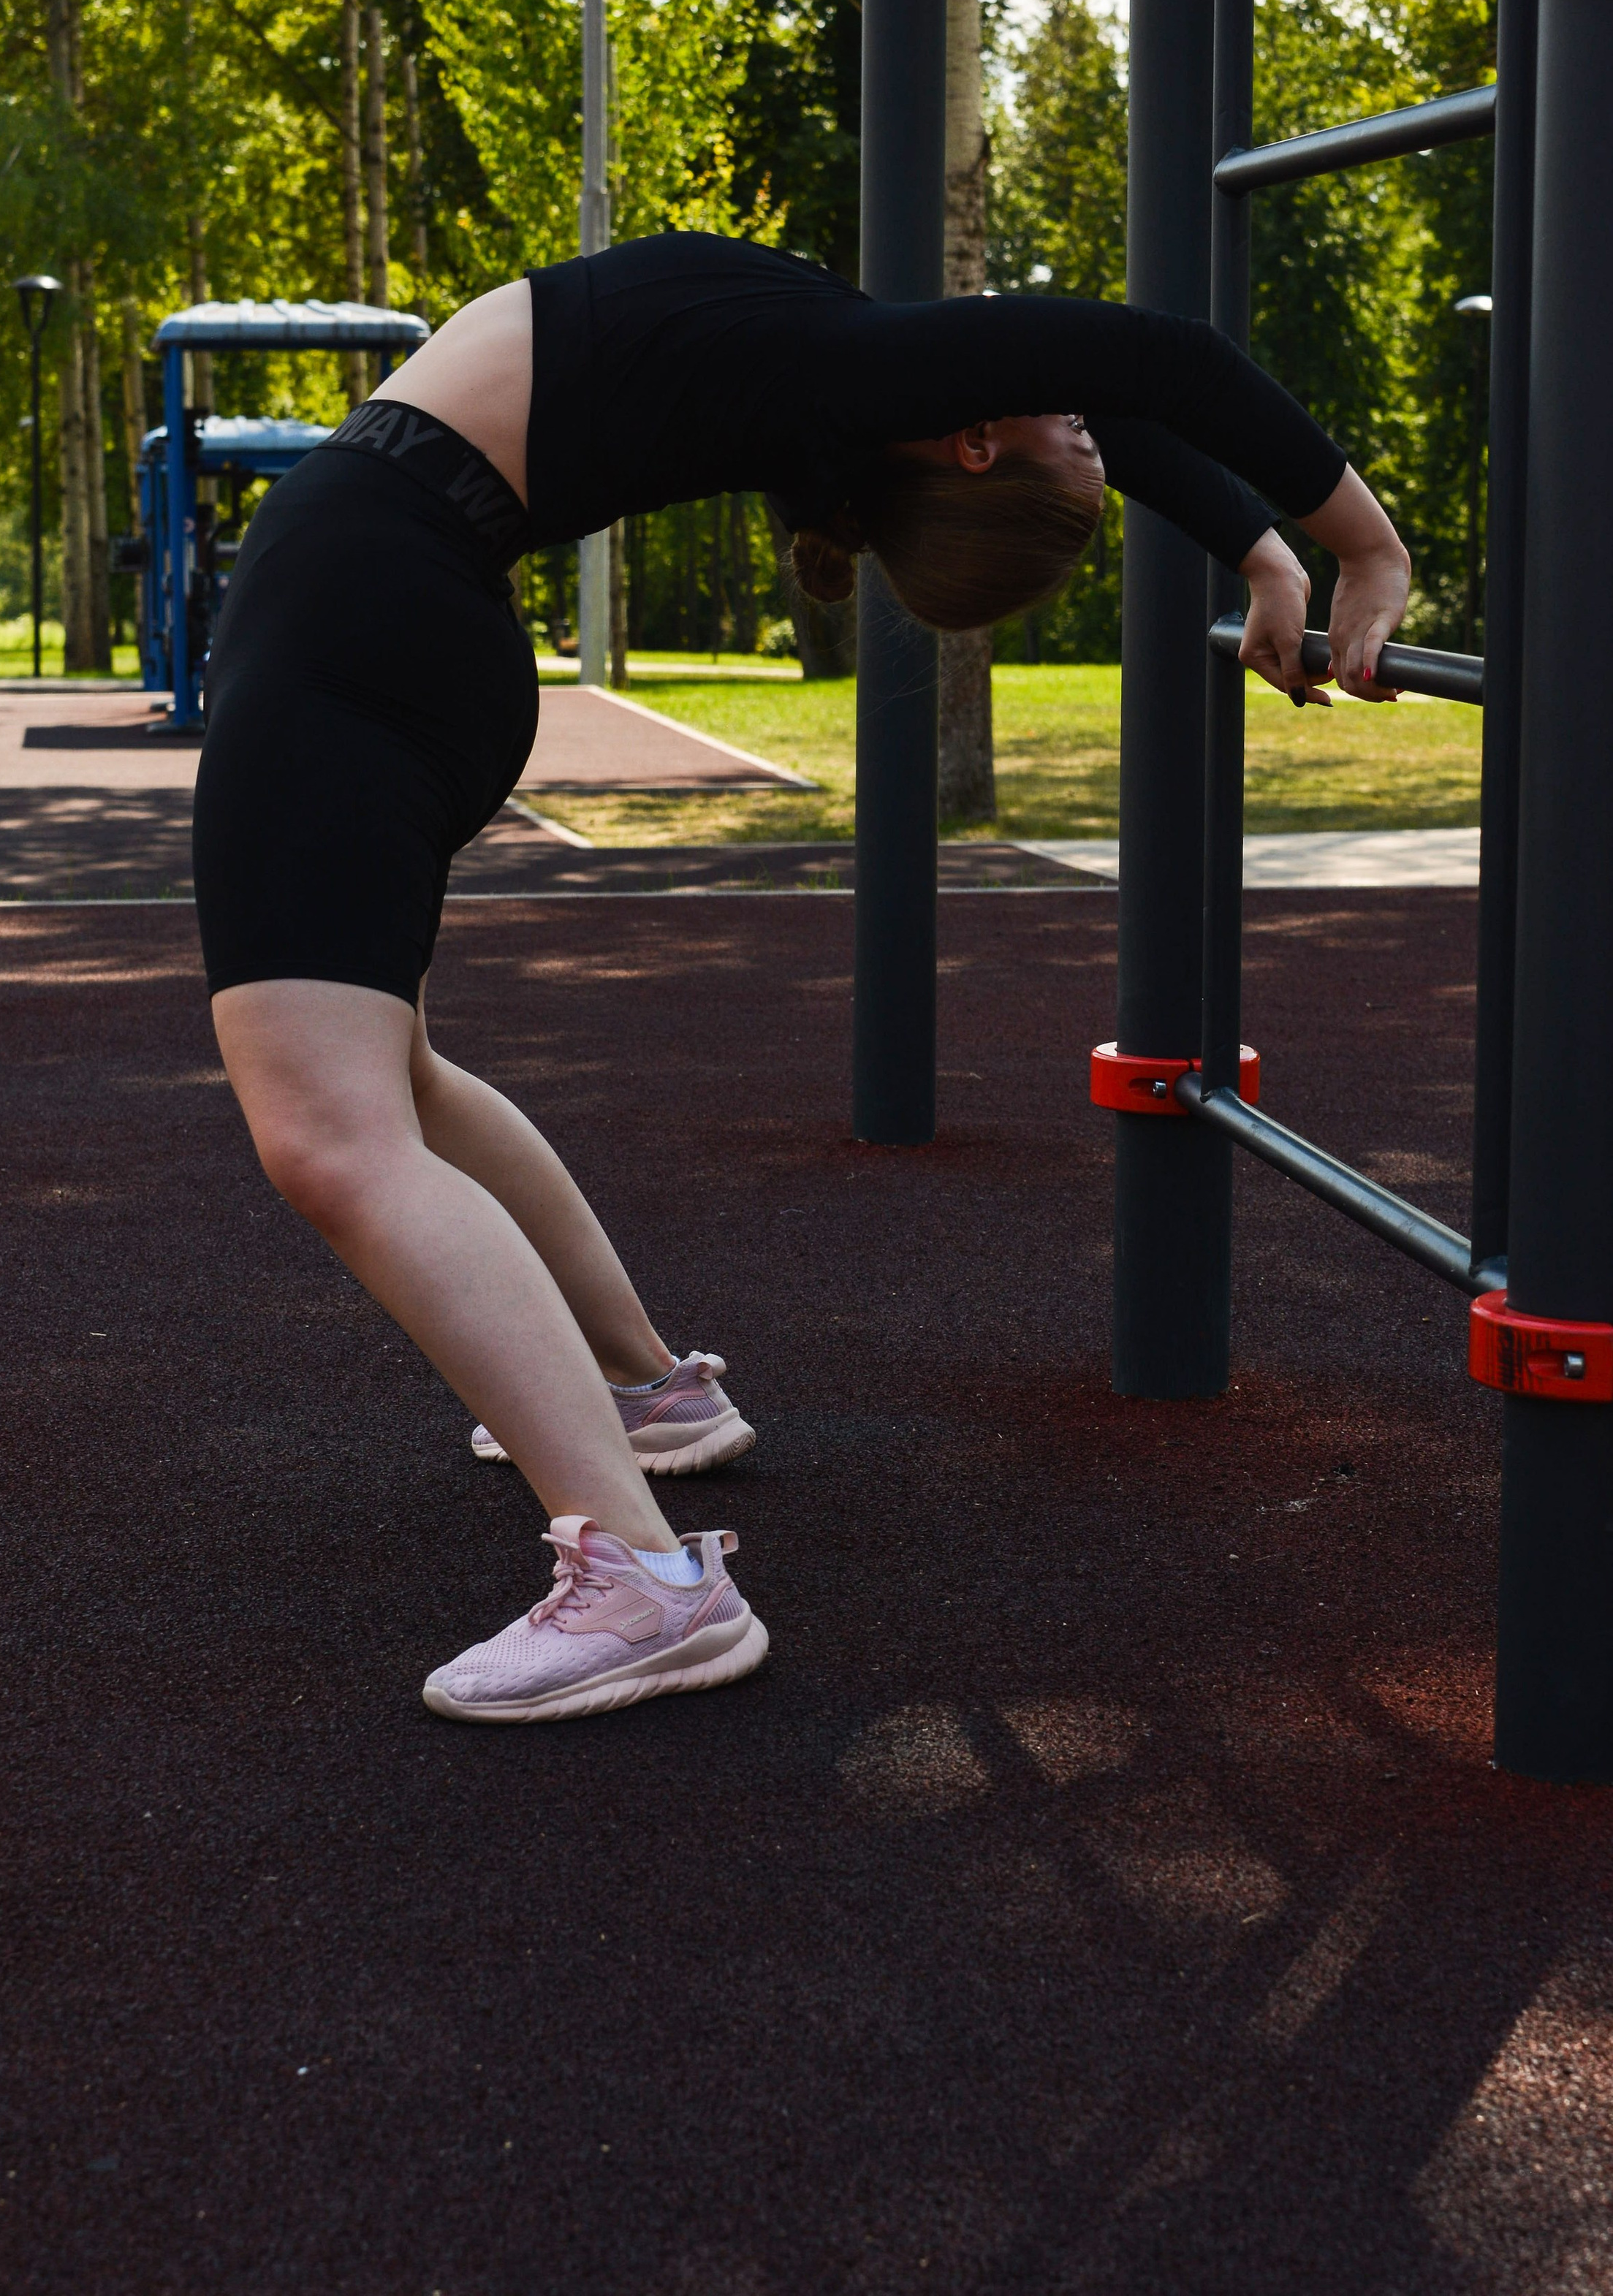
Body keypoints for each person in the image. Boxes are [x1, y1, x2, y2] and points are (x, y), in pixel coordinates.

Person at [193, 230, 1411, 1725]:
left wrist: (1354, 546)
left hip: (362, 618)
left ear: (973, 437)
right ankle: (646, 1395)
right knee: (397, 1089)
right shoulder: (861, 374)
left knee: (331, 1136)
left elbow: (1155, 366)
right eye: (1078, 441)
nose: (1088, 430)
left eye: (1070, 440)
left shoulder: (855, 370)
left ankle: (646, 1584)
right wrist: (1266, 547)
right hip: (390, 609)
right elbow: (1136, 390)